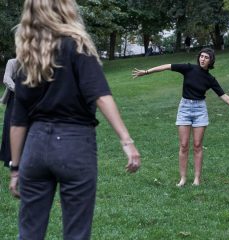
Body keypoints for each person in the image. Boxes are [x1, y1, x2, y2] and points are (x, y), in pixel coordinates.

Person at [8, 0, 141, 239]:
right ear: (66, 8)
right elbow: (100, 94)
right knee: (76, 233)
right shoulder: (78, 45)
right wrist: (126, 140)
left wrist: (15, 169)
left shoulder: (26, 57)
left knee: (29, 232)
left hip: (35, 147)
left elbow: (18, 120)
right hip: (74, 144)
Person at [133, 48, 229, 187]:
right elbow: (166, 66)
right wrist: (146, 72)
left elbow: (224, 96)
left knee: (197, 145)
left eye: (206, 57)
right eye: (201, 56)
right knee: (184, 145)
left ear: (211, 61)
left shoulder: (210, 79)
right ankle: (183, 178)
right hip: (184, 108)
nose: (202, 59)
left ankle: (197, 179)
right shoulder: (189, 68)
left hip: (199, 110)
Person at [0, 58, 18, 168]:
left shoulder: (35, 62)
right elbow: (6, 79)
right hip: (14, 97)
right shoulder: (12, 62)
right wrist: (20, 90)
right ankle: (9, 158)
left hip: (31, 99)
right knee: (10, 126)